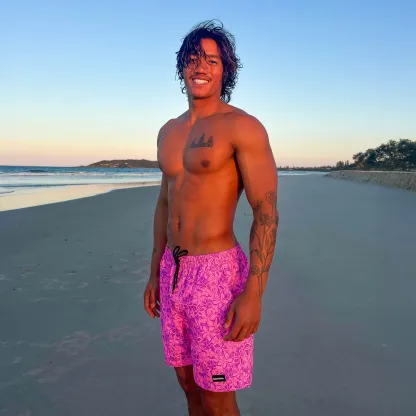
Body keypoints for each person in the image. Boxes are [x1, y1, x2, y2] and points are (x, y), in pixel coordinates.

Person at [144, 20, 278, 416]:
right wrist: (155, 271)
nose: (200, 67)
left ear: (226, 70)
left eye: (212, 60)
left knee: (218, 396)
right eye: (193, 59)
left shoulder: (242, 127)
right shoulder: (168, 131)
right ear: (182, 67)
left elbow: (266, 212)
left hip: (217, 276)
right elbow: (164, 202)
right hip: (173, 272)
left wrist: (254, 293)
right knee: (188, 383)